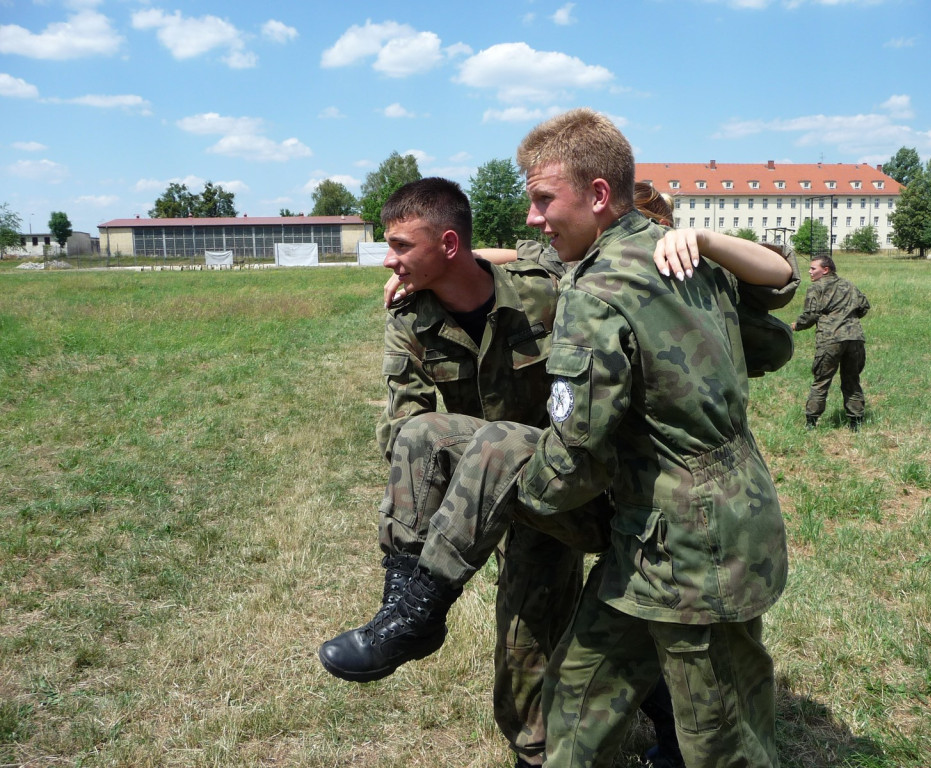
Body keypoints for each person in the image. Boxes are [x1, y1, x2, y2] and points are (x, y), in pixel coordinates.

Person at [320, 110, 795, 767]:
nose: (534, 217)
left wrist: (503, 494)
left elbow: (575, 456)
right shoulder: (672, 255)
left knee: (722, 742)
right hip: (657, 535)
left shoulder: (594, 294)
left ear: (598, 196)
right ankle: (416, 606)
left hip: (693, 553)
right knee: (573, 702)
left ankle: (420, 609)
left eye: (544, 200)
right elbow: (777, 311)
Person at [790, 254, 870, 431]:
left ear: (825, 270)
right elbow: (864, 306)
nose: (809, 272)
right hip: (855, 338)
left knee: (821, 380)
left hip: (830, 339)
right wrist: (848, 318)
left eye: (813, 268)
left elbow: (810, 315)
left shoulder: (816, 287)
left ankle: (811, 423)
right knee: (852, 380)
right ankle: (855, 423)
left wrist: (797, 325)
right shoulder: (849, 284)